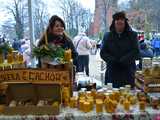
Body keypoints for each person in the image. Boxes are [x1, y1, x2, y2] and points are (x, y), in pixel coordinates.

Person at [100, 11, 140, 88]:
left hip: (128, 72)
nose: (119, 26)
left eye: (121, 24)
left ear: (125, 24)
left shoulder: (132, 35)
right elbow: (103, 53)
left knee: (128, 96)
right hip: (112, 71)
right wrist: (113, 60)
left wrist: (124, 60)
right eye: (117, 24)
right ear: (114, 23)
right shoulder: (107, 36)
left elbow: (136, 51)